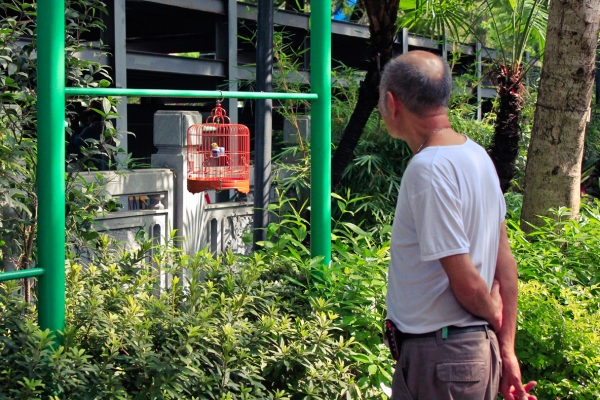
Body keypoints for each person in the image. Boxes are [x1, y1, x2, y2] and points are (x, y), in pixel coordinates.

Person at [379, 50, 536, 400]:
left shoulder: (429, 169)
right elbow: (506, 266)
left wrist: (495, 314)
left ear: (392, 102)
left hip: (442, 361)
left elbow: (465, 282)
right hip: (464, 357)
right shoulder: (477, 156)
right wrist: (507, 350)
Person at [68, 100, 111, 170]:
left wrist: (75, 129)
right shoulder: (106, 127)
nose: (87, 118)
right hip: (104, 166)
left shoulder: (92, 128)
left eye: (88, 114)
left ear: (94, 115)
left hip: (94, 168)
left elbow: (77, 144)